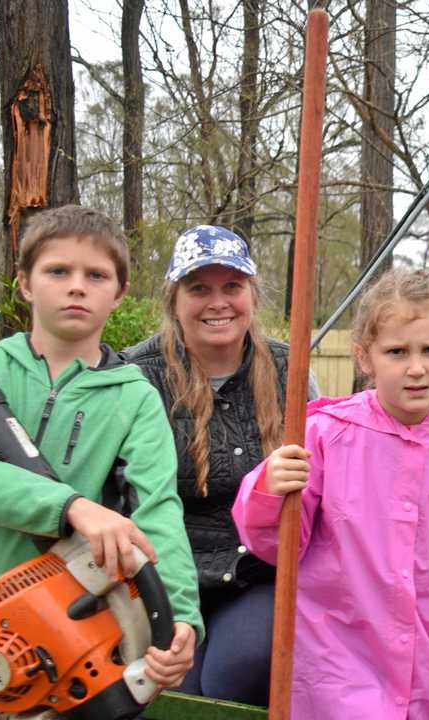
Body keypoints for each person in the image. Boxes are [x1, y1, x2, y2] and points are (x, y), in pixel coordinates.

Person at [233, 268, 429, 720]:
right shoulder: (323, 436)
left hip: (424, 687)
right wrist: (268, 486)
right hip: (330, 680)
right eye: (397, 352)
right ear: (365, 357)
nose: (416, 368)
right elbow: (277, 546)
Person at [0, 205, 201, 696]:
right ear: (24, 282)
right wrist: (70, 508)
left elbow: (158, 512)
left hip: (69, 632)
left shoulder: (136, 397)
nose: (77, 286)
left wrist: (180, 615)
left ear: (120, 292)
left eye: (96, 274)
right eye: (58, 271)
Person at [124, 225, 296, 705]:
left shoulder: (290, 370)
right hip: (166, 576)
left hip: (256, 572)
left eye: (232, 287)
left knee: (239, 671)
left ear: (252, 295)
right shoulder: (137, 376)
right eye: (199, 288)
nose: (218, 302)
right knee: (175, 688)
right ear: (174, 299)